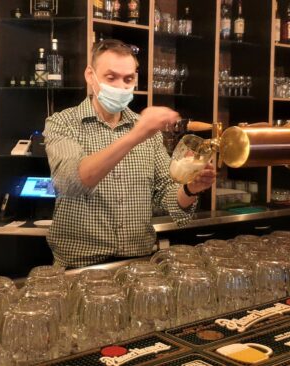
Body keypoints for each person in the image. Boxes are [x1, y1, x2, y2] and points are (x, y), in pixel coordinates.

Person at [44, 39, 216, 268]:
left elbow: (165, 190)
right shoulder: (63, 123)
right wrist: (137, 134)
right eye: (110, 77)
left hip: (139, 264)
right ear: (90, 75)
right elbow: (71, 182)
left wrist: (190, 188)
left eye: (128, 79)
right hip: (80, 267)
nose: (120, 86)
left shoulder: (147, 130)